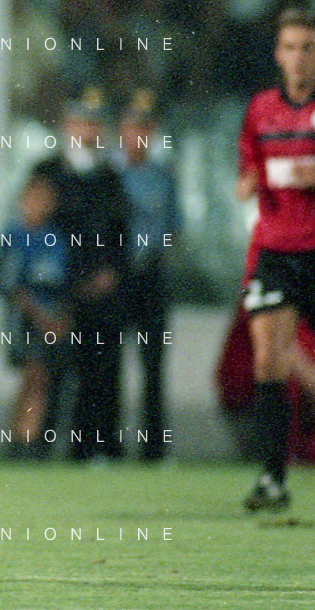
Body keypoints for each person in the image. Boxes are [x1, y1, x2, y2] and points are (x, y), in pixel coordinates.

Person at [236, 7, 315, 512]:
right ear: (277, 54)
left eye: (308, 47)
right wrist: (247, 182)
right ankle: (272, 478)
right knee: (268, 355)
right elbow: (249, 164)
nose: (298, 58)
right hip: (274, 249)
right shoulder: (261, 109)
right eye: (289, 47)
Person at [33, 91, 131, 461]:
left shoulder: (110, 178)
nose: (88, 130)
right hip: (56, 290)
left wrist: (111, 273)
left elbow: (121, 234)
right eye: (81, 122)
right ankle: (39, 446)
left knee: (100, 373)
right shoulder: (47, 172)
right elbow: (34, 227)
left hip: (101, 291)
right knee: (49, 371)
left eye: (94, 123)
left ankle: (92, 448)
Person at [115, 92, 181, 461]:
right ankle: (106, 444)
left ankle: (154, 448)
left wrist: (159, 253)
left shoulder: (163, 175)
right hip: (118, 276)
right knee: (108, 364)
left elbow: (174, 226)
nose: (137, 135)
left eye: (144, 128)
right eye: (131, 127)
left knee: (153, 365)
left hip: (151, 275)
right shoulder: (110, 175)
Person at [0, 170, 71, 460]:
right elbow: (10, 286)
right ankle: (22, 439)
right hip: (25, 320)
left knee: (41, 379)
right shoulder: (14, 237)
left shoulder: (55, 239)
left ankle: (27, 438)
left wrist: (60, 319)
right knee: (34, 375)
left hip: (51, 319)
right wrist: (41, 318)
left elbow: (63, 283)